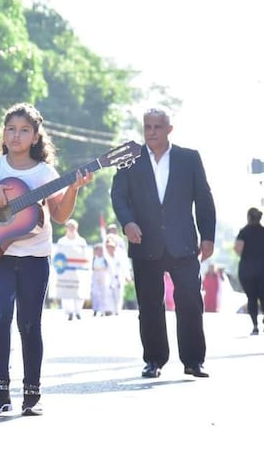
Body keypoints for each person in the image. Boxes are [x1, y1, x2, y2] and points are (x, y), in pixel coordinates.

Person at [0, 103, 92, 415]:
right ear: (3, 132)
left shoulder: (44, 173)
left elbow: (61, 216)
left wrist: (74, 189)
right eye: (11, 129)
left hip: (35, 257)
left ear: (36, 136)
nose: (16, 135)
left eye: (24, 130)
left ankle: (32, 394)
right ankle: (0, 393)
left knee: (29, 324)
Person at [111, 107, 216, 379]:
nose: (151, 132)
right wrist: (127, 222)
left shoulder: (188, 159)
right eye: (147, 127)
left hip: (182, 244)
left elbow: (203, 198)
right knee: (149, 304)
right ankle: (154, 360)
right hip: (144, 242)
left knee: (191, 301)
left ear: (169, 129)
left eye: (157, 127)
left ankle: (193, 361)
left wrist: (208, 236)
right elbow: (119, 196)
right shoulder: (130, 160)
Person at [234, 207, 264, 335]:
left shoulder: (243, 232)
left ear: (248, 217)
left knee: (251, 298)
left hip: (247, 270)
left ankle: (255, 326)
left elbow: (238, 249)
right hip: (262, 268)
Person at [55, 219, 90, 320]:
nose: (70, 228)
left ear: (76, 228)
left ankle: (78, 311)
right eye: (69, 226)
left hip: (78, 270)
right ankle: (69, 312)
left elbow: (86, 256)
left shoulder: (81, 241)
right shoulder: (61, 241)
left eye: (72, 227)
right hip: (65, 270)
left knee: (78, 291)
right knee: (66, 290)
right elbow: (57, 256)